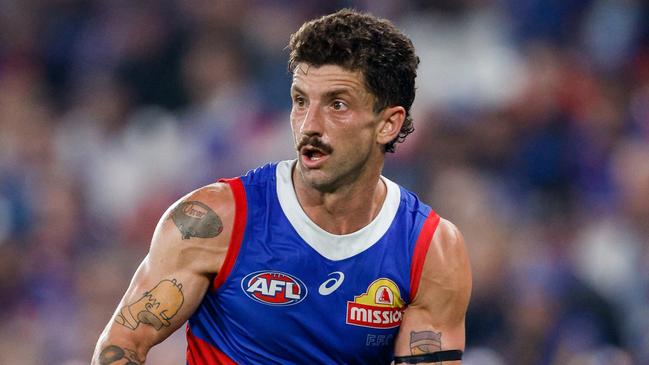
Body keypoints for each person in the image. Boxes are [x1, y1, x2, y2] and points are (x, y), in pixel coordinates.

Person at [92, 8, 472, 365]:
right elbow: (122, 345)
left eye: (337, 104)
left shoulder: (431, 250)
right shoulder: (216, 221)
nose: (310, 124)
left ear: (388, 124)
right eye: (300, 100)